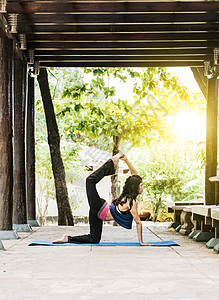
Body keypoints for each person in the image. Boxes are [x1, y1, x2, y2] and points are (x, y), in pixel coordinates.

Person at [53, 153, 151, 245]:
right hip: (99, 208)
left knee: (94, 239)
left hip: (98, 214)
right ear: (135, 187)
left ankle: (67, 238)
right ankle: (111, 162)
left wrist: (126, 160)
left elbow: (135, 176)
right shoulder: (130, 201)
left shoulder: (129, 195)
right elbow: (138, 222)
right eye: (141, 185)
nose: (142, 188)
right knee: (90, 181)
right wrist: (141, 242)